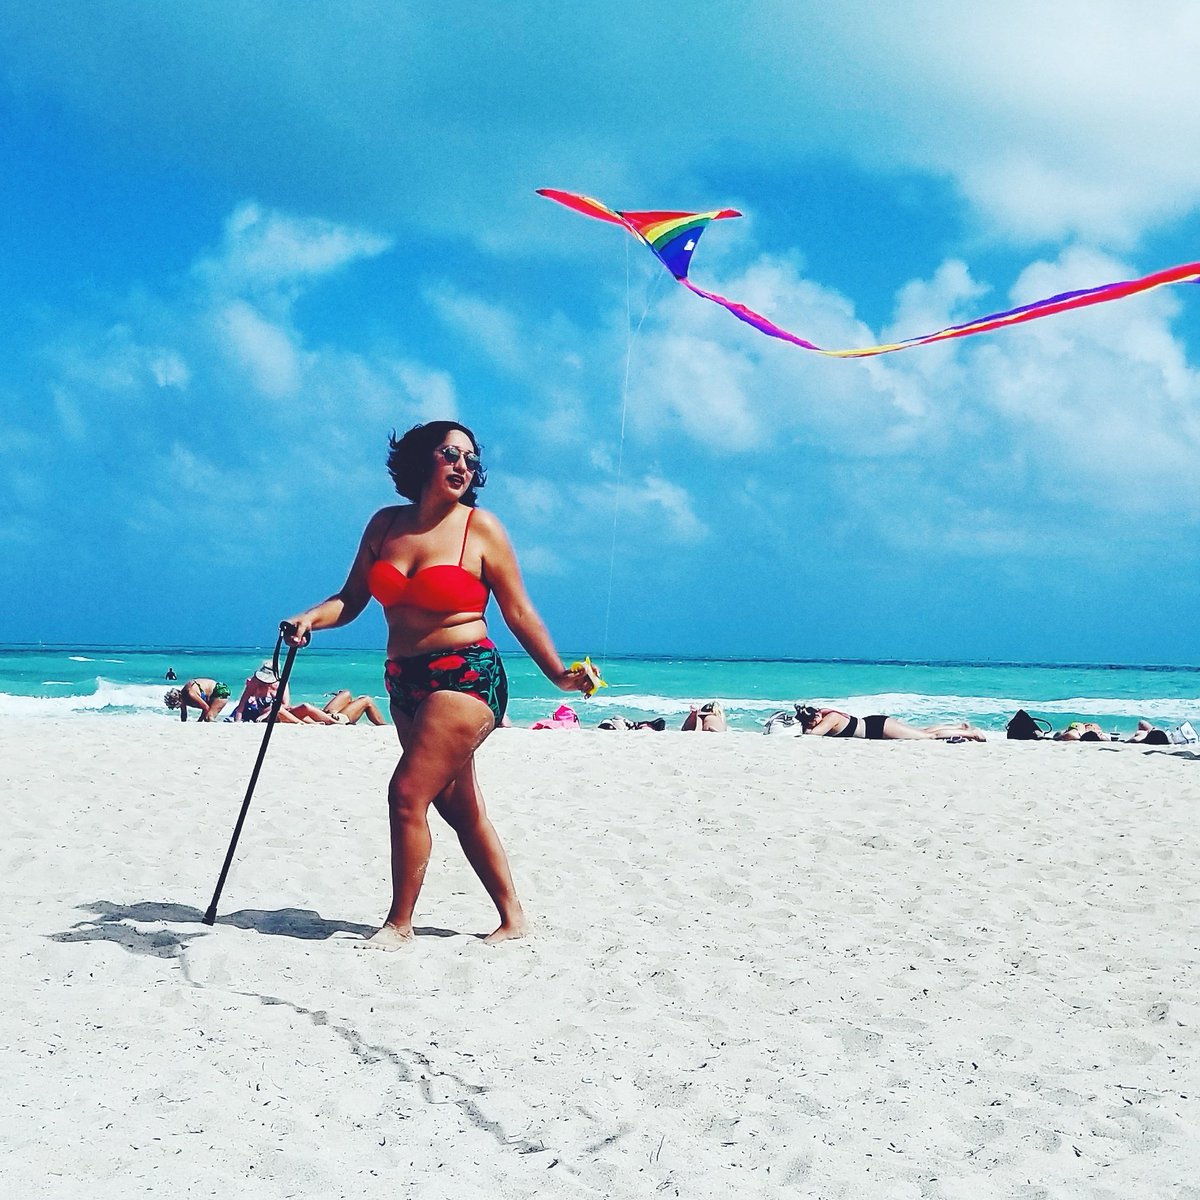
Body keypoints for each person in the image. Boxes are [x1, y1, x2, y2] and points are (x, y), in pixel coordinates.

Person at [282, 421, 593, 948]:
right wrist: (310, 618)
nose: (463, 466)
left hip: (467, 673)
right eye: (451, 454)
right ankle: (514, 917)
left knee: (406, 792)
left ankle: (398, 924)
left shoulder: (481, 528)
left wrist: (560, 676)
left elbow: (517, 611)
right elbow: (351, 598)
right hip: (404, 679)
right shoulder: (385, 526)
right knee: (458, 805)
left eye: (471, 460)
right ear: (422, 459)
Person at [796, 704, 987, 741]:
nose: (814, 722)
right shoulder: (827, 715)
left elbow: (812, 735)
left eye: (813, 720)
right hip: (876, 726)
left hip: (877, 728)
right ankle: (959, 728)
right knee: (922, 731)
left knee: (928, 737)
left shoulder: (831, 718)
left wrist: (806, 727)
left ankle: (972, 734)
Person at [164, 678, 230, 722]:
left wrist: (199, 722)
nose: (178, 707)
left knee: (208, 718)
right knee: (207, 718)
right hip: (212, 694)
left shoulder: (190, 694)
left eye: (177, 706)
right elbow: (184, 714)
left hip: (220, 690)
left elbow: (206, 708)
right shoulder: (182, 696)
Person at [323, 690, 387, 726]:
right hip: (331, 719)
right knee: (367, 701)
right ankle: (383, 725)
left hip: (324, 715)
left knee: (346, 693)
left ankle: (352, 707)